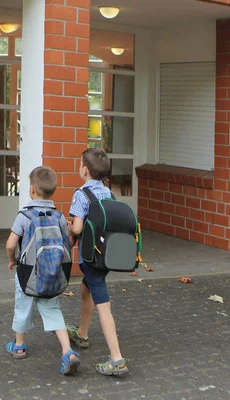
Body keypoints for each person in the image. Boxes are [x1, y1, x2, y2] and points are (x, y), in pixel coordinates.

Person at [5, 166, 80, 375]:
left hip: (27, 273)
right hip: (52, 273)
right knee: (52, 309)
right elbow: (68, 243)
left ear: (31, 190)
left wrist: (13, 260)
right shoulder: (58, 216)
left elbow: (11, 244)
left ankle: (19, 345)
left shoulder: (25, 216)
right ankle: (68, 351)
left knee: (23, 306)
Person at [66, 148, 130, 377]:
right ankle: (82, 334)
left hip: (90, 259)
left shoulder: (82, 194)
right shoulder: (108, 193)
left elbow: (79, 228)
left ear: (84, 169)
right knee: (86, 289)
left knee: (103, 304)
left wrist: (69, 226)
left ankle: (116, 358)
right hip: (105, 256)